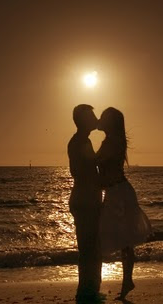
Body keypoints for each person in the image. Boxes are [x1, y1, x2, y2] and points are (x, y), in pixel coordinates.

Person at [97, 107, 163, 300]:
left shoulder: (113, 142)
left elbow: (98, 165)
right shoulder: (111, 141)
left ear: (111, 123)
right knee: (125, 240)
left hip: (119, 193)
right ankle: (127, 282)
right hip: (114, 193)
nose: (100, 120)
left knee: (125, 238)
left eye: (103, 118)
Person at [68, 104, 103, 303]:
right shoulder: (80, 141)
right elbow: (80, 171)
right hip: (86, 201)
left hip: (86, 199)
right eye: (92, 116)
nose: (95, 118)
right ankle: (87, 293)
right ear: (83, 120)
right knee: (90, 249)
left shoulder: (83, 140)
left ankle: (90, 290)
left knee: (90, 248)